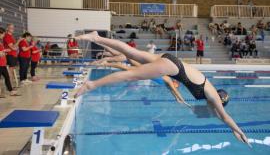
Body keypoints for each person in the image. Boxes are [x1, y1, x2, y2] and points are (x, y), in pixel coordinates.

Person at [75, 31, 249, 145]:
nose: (216, 109)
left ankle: (97, 37)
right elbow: (225, 117)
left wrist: (234, 131)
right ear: (220, 99)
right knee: (131, 74)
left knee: (131, 54)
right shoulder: (212, 96)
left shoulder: (211, 93)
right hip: (174, 68)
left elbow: (220, 116)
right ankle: (92, 85)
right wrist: (239, 131)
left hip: (172, 62)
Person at [0, 27, 18, 97]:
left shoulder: (1, 42)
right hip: (0, 63)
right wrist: (3, 52)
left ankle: (11, 91)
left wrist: (5, 51)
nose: (3, 36)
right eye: (3, 34)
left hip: (3, 63)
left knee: (7, 77)